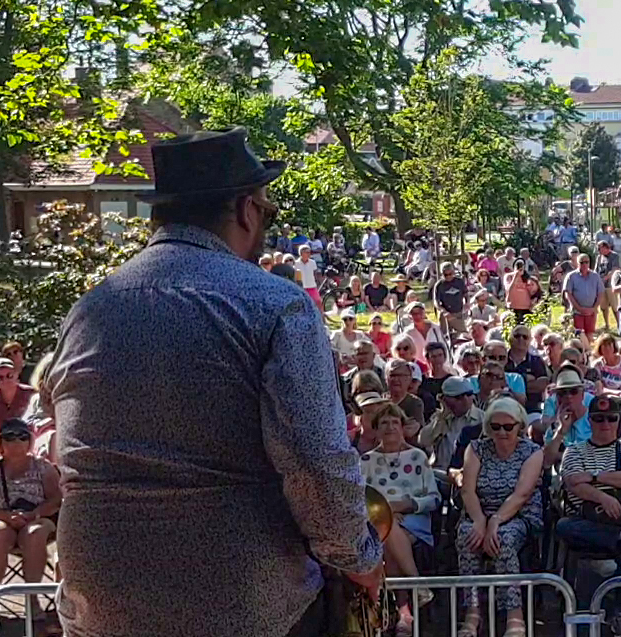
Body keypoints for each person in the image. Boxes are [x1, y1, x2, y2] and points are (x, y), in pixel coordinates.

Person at [47, 128, 382, 636]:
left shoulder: (89, 308)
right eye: (267, 212)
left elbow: (69, 445)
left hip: (99, 597)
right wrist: (359, 558)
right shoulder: (276, 305)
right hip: (242, 601)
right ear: (246, 210)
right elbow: (317, 462)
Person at [455, 397, 545, 637]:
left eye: (508, 426)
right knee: (467, 536)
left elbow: (522, 493)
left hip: (519, 514)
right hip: (480, 512)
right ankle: (473, 612)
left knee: (504, 538)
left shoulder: (532, 452)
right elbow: (468, 489)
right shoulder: (476, 449)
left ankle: (514, 615)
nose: (502, 432)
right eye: (495, 427)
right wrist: (479, 521)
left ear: (520, 426)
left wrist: (495, 521)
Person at [553, 391, 621, 600]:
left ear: (618, 421)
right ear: (590, 421)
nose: (605, 423)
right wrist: (603, 498)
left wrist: (592, 476)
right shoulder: (574, 451)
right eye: (598, 418)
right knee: (564, 525)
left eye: (611, 418)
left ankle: (620, 612)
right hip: (586, 522)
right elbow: (573, 484)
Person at [358, 405, 438, 633]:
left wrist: (409, 504)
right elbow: (359, 500)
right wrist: (386, 512)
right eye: (384, 423)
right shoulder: (365, 461)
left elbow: (433, 498)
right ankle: (412, 598)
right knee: (387, 532)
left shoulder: (417, 456)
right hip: (377, 523)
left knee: (389, 533)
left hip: (413, 520)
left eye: (395, 422)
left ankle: (402, 611)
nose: (390, 427)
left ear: (403, 428)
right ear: (376, 430)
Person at [0, 418, 63, 594]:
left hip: (37, 517)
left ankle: (32, 598)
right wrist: (6, 517)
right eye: (10, 437)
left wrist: (33, 514)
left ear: (30, 442)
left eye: (22, 437)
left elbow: (56, 499)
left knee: (34, 533)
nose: (17, 442)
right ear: (0, 442)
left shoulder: (44, 467)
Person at [0, 358, 35, 460]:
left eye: (9, 375)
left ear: (16, 375)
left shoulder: (30, 393)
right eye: (0, 377)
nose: (5, 380)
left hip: (27, 434)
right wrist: (10, 433)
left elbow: (36, 420)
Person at [564, 255, 602, 337]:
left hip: (591, 312)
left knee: (590, 336)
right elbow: (568, 294)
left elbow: (600, 293)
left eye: (586, 262)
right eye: (582, 262)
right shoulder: (571, 276)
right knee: (579, 336)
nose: (584, 264)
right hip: (577, 312)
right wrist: (579, 308)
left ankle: (588, 350)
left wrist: (594, 308)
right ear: (577, 263)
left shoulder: (595, 276)